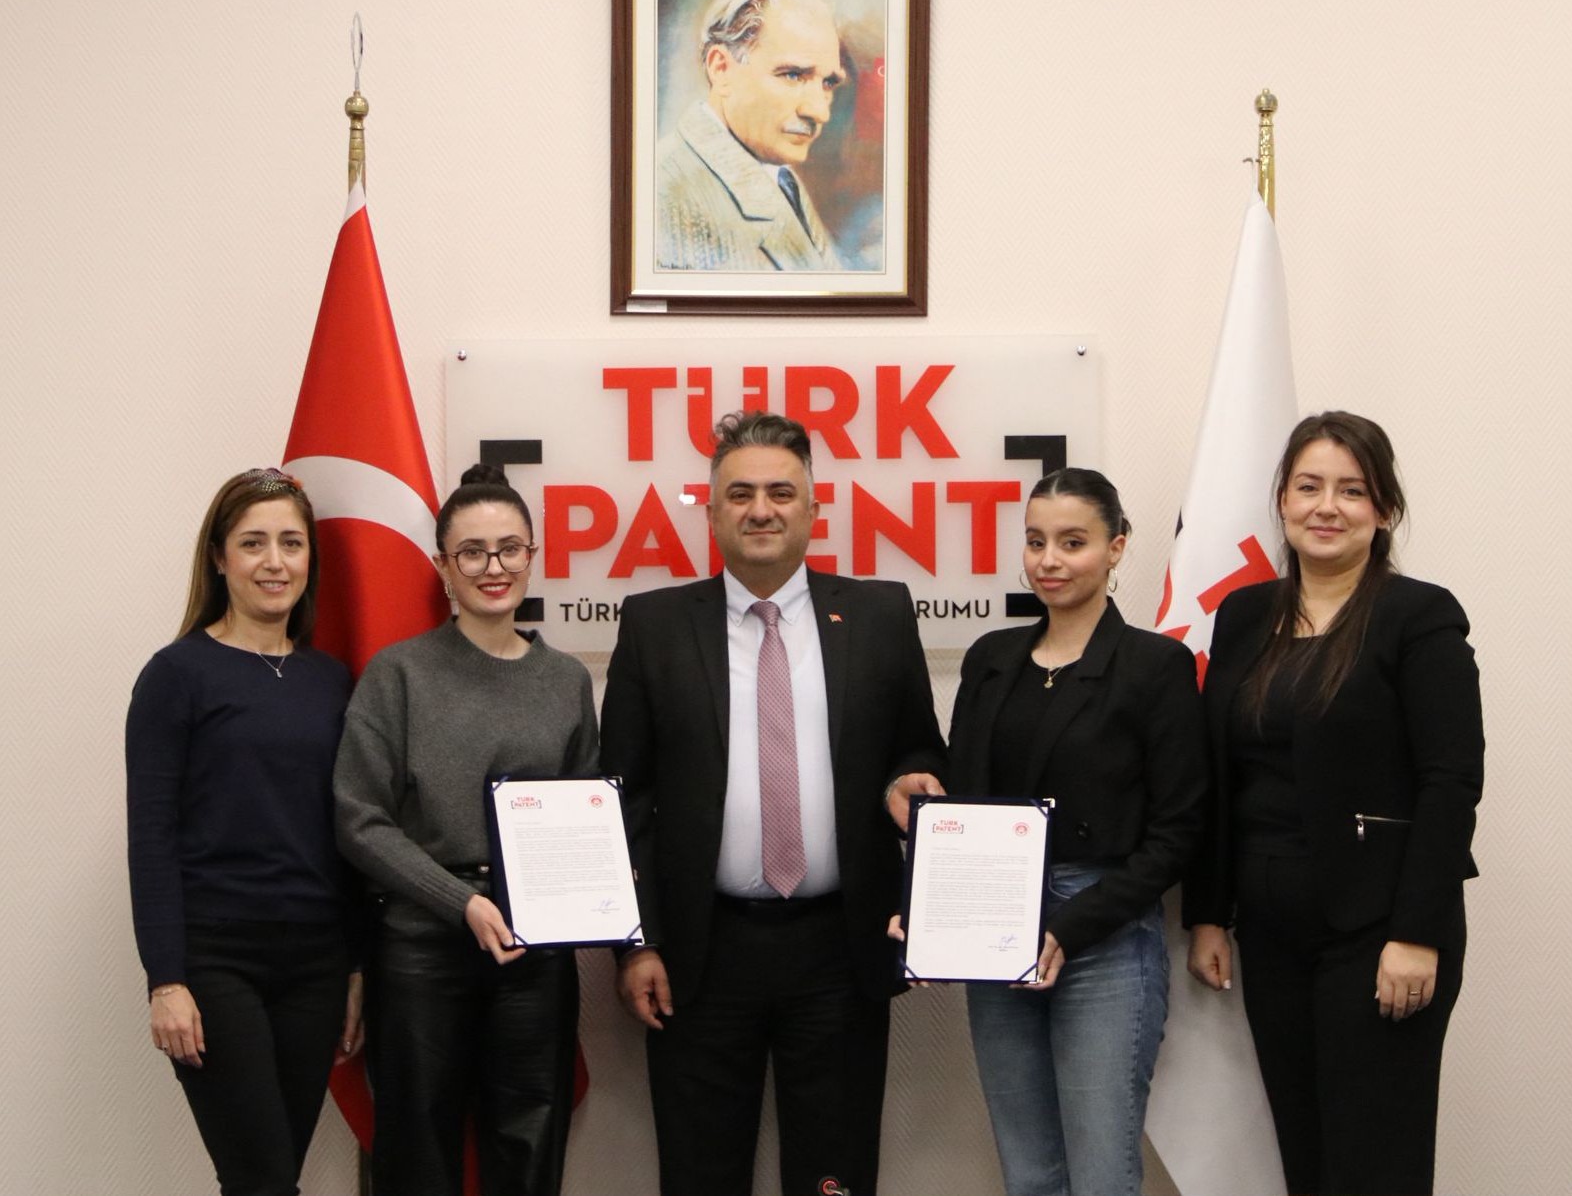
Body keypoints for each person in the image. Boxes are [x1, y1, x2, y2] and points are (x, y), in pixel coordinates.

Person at [603, 410, 945, 1196]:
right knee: (699, 1175)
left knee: (835, 1177)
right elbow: (626, 801)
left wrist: (910, 781)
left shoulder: (881, 615)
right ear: (712, 511)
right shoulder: (654, 625)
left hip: (841, 950)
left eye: (781, 493)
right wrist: (636, 944)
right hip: (698, 955)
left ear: (814, 509)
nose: (761, 509)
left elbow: (921, 750)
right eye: (741, 494)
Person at [1184, 412, 1484, 1196]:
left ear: (1383, 509)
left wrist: (1416, 934)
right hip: (1270, 932)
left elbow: (1451, 781)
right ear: (1282, 500)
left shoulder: (1419, 616)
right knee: (1306, 1158)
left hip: (1379, 931)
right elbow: (1221, 770)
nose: (1327, 506)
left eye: (1352, 491)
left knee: (1374, 1166)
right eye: (1309, 486)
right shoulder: (1244, 615)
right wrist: (1209, 913)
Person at [887, 469, 1206, 1196]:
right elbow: (963, 800)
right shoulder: (991, 658)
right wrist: (931, 910)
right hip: (993, 924)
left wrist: (1070, 926)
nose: (1049, 561)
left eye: (1072, 542)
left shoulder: (1155, 666)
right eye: (1035, 542)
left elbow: (1178, 831)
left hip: (1104, 931)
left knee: (1101, 1175)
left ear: (1116, 547)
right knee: (1028, 1171)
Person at [333, 464, 597, 1196]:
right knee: (417, 1151)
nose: (493, 567)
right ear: (443, 566)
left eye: (509, 548)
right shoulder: (398, 675)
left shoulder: (566, 681)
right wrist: (462, 903)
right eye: (472, 552)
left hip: (535, 950)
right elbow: (360, 820)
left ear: (532, 557)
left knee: (530, 1148)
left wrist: (599, 898)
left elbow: (585, 817)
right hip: (421, 947)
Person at [126, 468, 361, 1196]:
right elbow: (151, 835)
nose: (274, 561)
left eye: (292, 542)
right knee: (261, 1179)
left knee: (271, 1177)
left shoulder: (333, 680)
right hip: (215, 961)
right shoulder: (176, 675)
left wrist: (355, 966)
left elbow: (348, 831)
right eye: (253, 542)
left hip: (317, 964)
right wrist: (166, 980)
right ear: (219, 558)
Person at [655, 0, 847, 272]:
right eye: (793, 75)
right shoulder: (663, 196)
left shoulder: (779, 176)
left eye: (828, 83)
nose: (820, 112)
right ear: (721, 69)